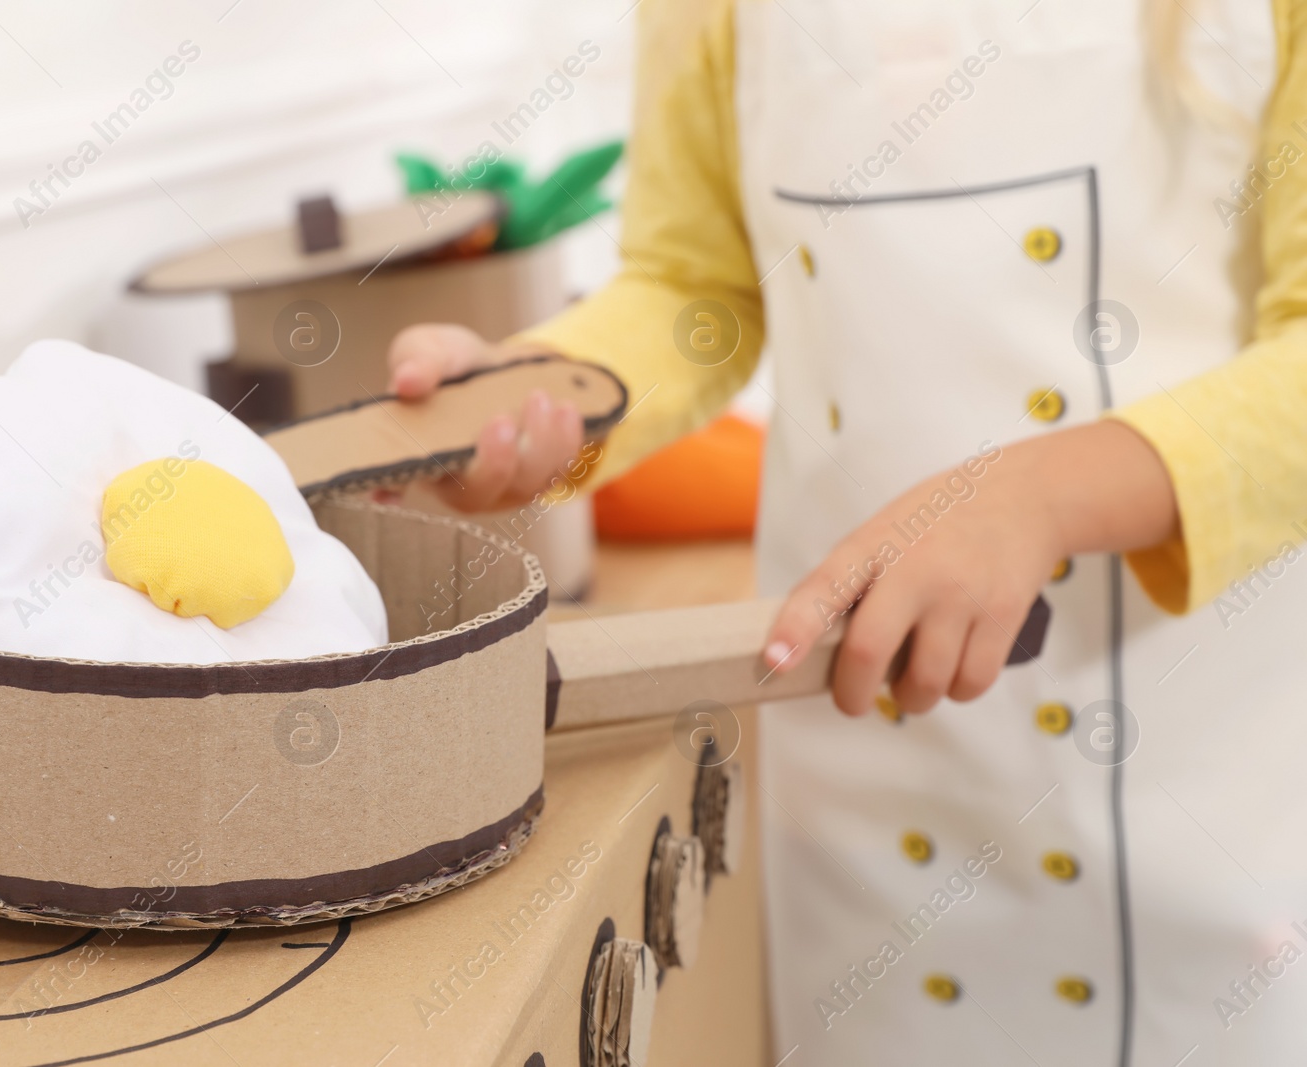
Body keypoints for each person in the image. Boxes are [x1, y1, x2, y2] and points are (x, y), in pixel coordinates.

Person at [387, 1, 1307, 1063]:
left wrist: (1036, 492)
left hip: (1193, 755)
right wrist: (543, 395)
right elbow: (697, 285)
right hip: (861, 751)